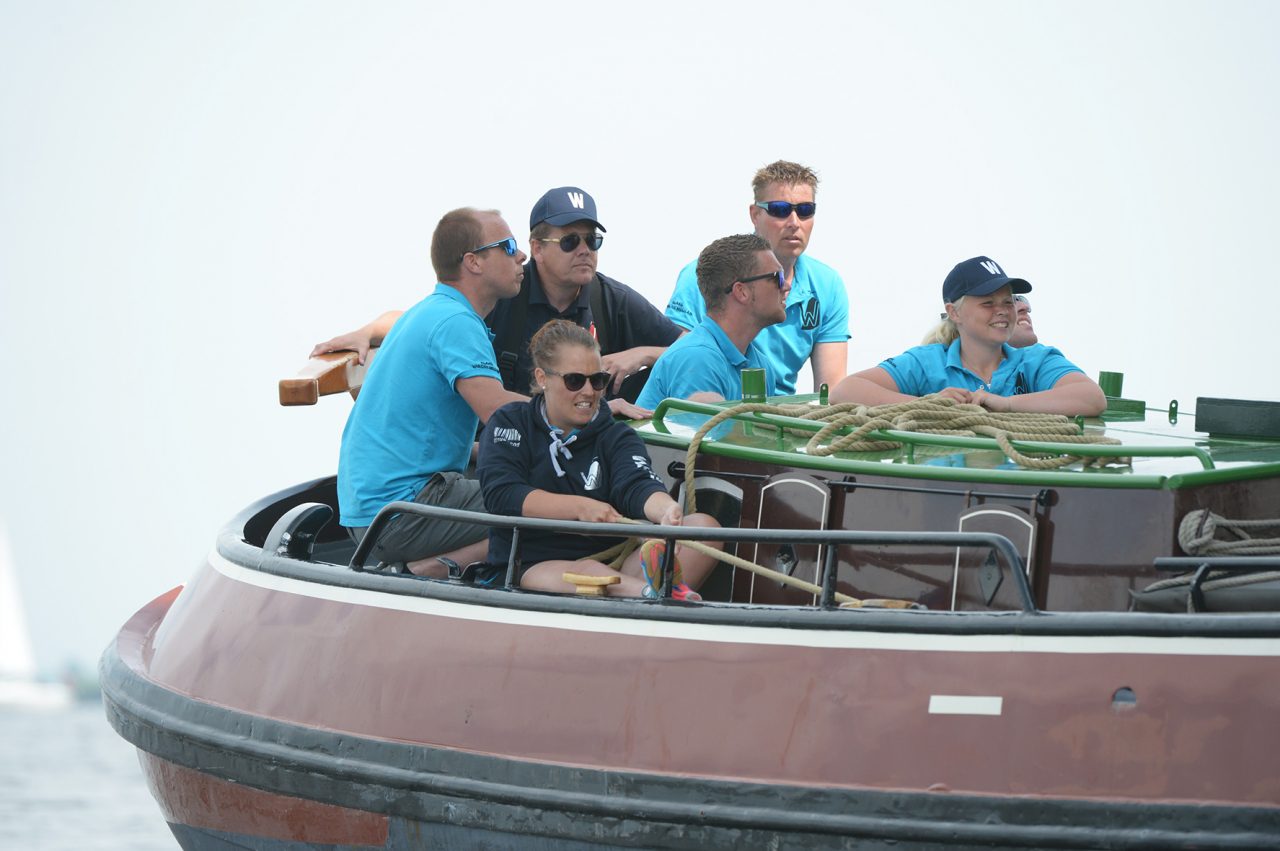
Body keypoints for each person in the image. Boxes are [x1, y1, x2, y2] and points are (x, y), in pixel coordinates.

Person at [311, 187, 682, 410]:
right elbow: (431, 322)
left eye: (592, 240)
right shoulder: (503, 289)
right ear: (535, 248)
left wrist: (643, 354)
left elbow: (690, 347)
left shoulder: (611, 299)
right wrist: (367, 331)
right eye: (570, 241)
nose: (584, 250)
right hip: (504, 443)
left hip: (575, 445)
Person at [338, 208, 527, 577]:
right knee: (551, 503)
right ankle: (432, 571)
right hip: (400, 514)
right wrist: (586, 411)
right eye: (508, 246)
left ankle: (428, 568)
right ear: (473, 262)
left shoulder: (433, 311)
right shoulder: (456, 324)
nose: (521, 256)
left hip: (370, 511)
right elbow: (498, 412)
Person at [478, 320, 721, 599]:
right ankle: (664, 597)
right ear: (542, 378)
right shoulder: (510, 422)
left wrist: (665, 510)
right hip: (526, 565)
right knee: (592, 572)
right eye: (575, 380)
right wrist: (580, 508)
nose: (589, 391)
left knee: (704, 528)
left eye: (598, 380)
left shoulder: (615, 435)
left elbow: (636, 484)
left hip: (614, 565)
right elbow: (502, 494)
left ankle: (655, 598)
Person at [830, 256, 1106, 416]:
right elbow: (845, 391)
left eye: (1007, 302)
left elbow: (1091, 397)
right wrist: (930, 406)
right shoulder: (927, 363)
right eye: (988, 303)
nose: (1003, 311)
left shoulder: (1037, 360)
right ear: (954, 312)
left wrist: (1007, 404)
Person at [664, 160, 849, 395]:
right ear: (754, 214)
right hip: (714, 405)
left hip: (768, 412)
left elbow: (830, 394)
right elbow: (682, 359)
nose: (794, 222)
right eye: (780, 209)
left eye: (805, 210)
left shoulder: (827, 285)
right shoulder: (705, 272)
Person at [635, 234, 786, 408]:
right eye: (777, 277)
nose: (786, 286)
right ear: (741, 291)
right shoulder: (697, 358)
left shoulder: (759, 362)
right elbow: (707, 435)